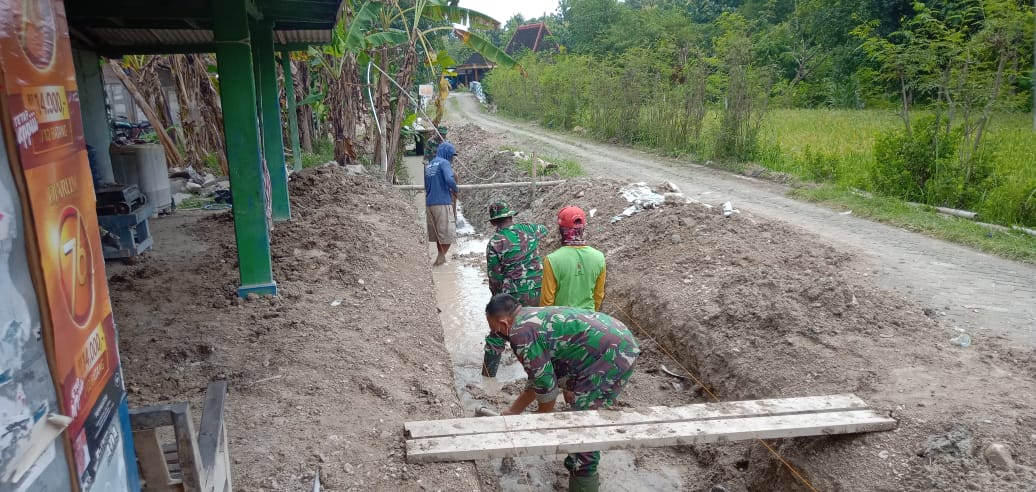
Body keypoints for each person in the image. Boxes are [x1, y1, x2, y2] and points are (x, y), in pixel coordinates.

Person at [485, 294, 640, 492]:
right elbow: (540, 376)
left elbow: (547, 388)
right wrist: (514, 411)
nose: (498, 336)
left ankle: (583, 477)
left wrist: (540, 423)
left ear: (503, 323)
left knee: (582, 429)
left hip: (612, 355)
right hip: (618, 339)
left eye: (496, 331)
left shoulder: (519, 333)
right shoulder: (531, 315)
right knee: (580, 408)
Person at [482, 199, 548, 377]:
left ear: (493, 222)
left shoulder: (495, 242)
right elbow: (544, 229)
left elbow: (495, 277)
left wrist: (496, 301)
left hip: (513, 295)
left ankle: (488, 376)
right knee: (538, 329)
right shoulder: (530, 229)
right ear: (511, 216)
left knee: (497, 333)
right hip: (540, 289)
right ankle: (541, 371)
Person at [541, 206, 606, 311]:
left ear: (561, 230)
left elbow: (547, 302)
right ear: (583, 228)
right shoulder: (599, 257)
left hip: (562, 321)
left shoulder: (552, 260)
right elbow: (598, 295)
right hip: (589, 321)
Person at [424, 142, 458, 266]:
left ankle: (441, 258)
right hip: (442, 203)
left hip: (429, 204)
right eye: (451, 155)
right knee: (448, 233)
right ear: (446, 153)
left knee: (440, 234)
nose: (452, 158)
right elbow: (450, 179)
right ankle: (441, 258)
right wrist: (455, 189)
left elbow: (427, 186)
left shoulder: (429, 165)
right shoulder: (444, 163)